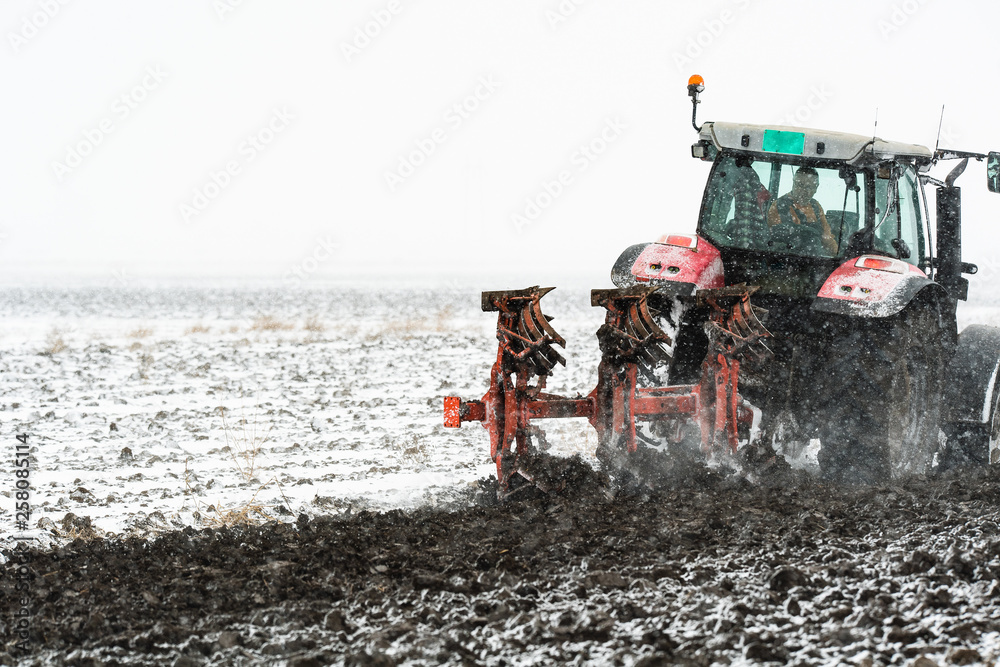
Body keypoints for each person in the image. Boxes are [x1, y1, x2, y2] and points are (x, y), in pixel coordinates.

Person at [766, 166, 838, 255]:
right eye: (800, 185)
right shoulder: (779, 206)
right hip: (788, 257)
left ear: (816, 188)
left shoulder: (816, 207)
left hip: (814, 258)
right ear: (794, 183)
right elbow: (774, 242)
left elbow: (827, 238)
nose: (804, 191)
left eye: (809, 187)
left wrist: (837, 256)